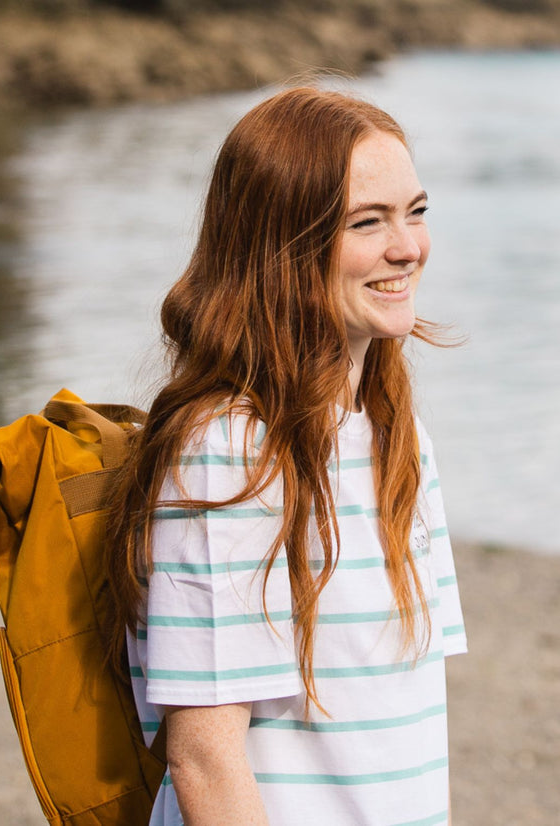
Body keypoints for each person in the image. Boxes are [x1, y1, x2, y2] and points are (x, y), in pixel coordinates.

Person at [106, 86, 467, 826]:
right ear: (283, 248)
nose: (408, 247)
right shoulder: (231, 451)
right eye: (368, 222)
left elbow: (391, 717)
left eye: (416, 211)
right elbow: (205, 761)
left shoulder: (395, 432)